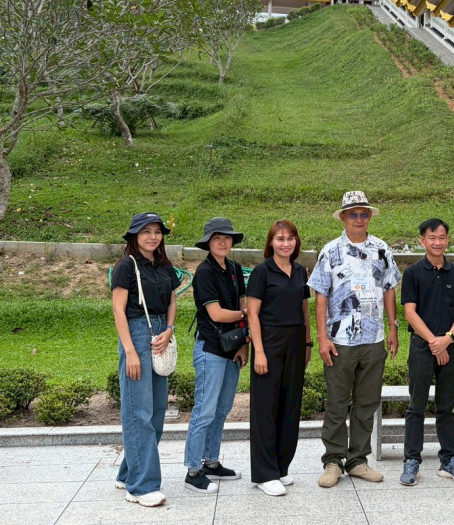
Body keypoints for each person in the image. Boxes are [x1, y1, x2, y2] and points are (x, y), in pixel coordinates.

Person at [309, 190, 401, 488]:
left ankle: (358, 460)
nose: (359, 219)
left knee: (367, 401)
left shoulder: (382, 249)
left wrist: (393, 326)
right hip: (339, 341)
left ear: (369, 217)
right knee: (337, 402)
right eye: (353, 214)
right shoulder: (330, 250)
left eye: (364, 214)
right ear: (344, 217)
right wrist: (322, 337)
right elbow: (320, 296)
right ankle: (333, 461)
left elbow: (389, 288)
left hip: (373, 339)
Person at [111, 212, 181, 508]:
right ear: (134, 236)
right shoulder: (125, 266)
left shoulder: (165, 267)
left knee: (156, 412)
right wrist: (129, 351)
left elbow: (173, 301)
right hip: (136, 334)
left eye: (157, 231)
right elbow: (118, 310)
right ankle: (140, 487)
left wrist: (169, 330)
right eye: (146, 231)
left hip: (159, 334)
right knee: (138, 411)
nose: (153, 236)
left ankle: (128, 472)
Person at [399, 218, 454, 487]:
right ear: (422, 241)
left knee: (446, 406)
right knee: (416, 406)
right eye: (432, 237)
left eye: (442, 237)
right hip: (422, 346)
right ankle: (412, 461)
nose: (437, 242)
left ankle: (448, 461)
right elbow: (410, 312)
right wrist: (434, 342)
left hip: (450, 346)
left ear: (447, 240)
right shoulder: (413, 273)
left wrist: (448, 339)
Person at [247, 220, 313, 496]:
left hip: (296, 341)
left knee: (289, 405)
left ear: (296, 242)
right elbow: (252, 314)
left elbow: (304, 309)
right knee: (266, 407)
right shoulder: (262, 272)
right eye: (280, 239)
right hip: (269, 342)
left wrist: (308, 343)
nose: (285, 243)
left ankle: (280, 466)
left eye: (290, 238)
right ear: (271, 242)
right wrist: (259, 351)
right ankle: (264, 473)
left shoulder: (300, 271)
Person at [183, 218, 248, 494]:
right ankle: (193, 469)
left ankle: (211, 462)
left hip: (233, 348)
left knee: (222, 410)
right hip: (210, 348)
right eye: (217, 238)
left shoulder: (234, 268)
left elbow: (242, 304)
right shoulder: (204, 272)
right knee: (205, 410)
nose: (223, 242)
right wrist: (248, 315)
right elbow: (217, 314)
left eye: (227, 238)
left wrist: (244, 343)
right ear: (208, 242)